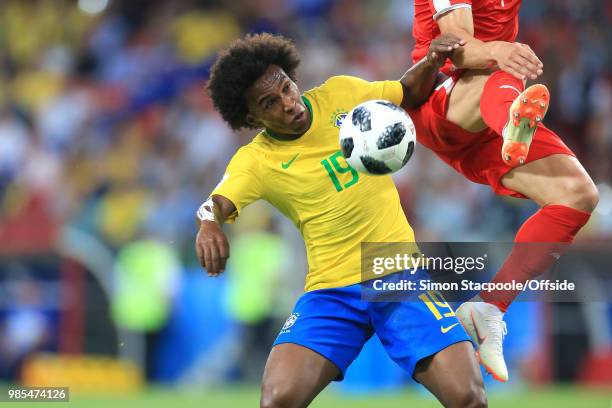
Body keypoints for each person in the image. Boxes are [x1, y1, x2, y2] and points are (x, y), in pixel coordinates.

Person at [195, 33, 488, 408]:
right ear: (252, 118)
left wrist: (431, 61)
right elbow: (214, 204)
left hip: (397, 274)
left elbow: (405, 92)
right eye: (271, 103)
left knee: (469, 396)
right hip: (331, 291)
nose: (288, 103)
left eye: (286, 87)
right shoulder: (256, 161)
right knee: (277, 399)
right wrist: (208, 223)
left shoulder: (342, 94)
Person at [407, 0, 600, 382]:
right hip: (440, 100)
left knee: (578, 195)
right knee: (503, 61)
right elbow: (455, 44)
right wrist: (498, 48)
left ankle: (490, 306)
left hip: (489, 123)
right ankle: (512, 124)